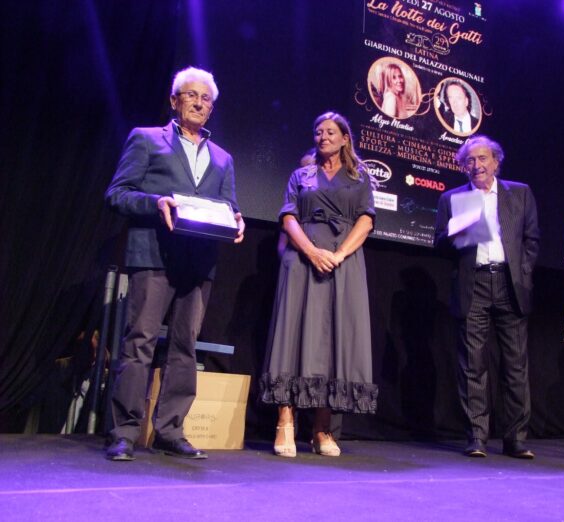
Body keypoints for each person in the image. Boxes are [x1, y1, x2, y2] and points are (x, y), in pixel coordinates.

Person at [104, 66, 245, 461]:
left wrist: (236, 221)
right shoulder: (147, 139)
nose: (199, 103)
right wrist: (156, 202)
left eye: (206, 99)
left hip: (199, 264)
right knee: (140, 342)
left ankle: (170, 431)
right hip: (153, 256)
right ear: (174, 100)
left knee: (185, 347)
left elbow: (229, 205)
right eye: (191, 95)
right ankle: (125, 432)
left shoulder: (223, 159)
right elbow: (117, 193)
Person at [261, 111, 377, 458]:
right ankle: (285, 422)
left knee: (333, 339)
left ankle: (322, 429)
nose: (323, 136)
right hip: (302, 260)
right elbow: (289, 217)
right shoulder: (301, 175)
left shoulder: (359, 178)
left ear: (345, 138)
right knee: (291, 335)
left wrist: (338, 255)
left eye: (330, 132)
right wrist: (312, 252)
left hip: (344, 263)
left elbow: (366, 221)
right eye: (318, 132)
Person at [434, 135, 539, 459]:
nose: (476, 165)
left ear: (496, 161)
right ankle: (477, 437)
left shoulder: (519, 193)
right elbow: (439, 244)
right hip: (473, 283)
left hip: (509, 283)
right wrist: (456, 232)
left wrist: (522, 272)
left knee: (515, 365)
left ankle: (516, 439)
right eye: (470, 160)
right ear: (463, 166)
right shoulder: (453, 198)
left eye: (482, 159)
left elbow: (531, 240)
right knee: (472, 365)